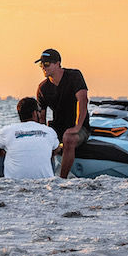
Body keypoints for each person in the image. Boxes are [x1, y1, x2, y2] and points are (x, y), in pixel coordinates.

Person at [34, 48, 89, 178]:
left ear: (58, 63)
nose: (43, 67)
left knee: (68, 138)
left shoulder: (74, 76)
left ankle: (61, 180)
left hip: (81, 127)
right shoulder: (42, 88)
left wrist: (77, 127)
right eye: (41, 64)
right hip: (57, 127)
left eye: (46, 64)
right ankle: (43, 176)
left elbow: (83, 100)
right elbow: (41, 118)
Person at [0, 97, 59, 179]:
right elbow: (56, 150)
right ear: (34, 113)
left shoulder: (8, 130)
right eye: (39, 111)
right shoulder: (49, 131)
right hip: (44, 183)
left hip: (15, 182)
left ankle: (3, 180)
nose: (40, 114)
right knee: (51, 154)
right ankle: (48, 177)